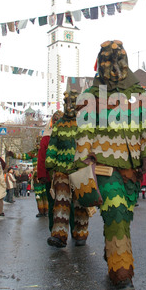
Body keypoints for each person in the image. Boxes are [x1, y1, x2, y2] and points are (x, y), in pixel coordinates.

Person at [74, 40, 146, 290]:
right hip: (104, 165)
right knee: (116, 210)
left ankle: (112, 251)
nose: (112, 67)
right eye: (107, 61)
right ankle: (121, 274)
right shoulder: (90, 95)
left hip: (132, 168)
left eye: (117, 60)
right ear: (100, 64)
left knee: (124, 214)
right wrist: (84, 159)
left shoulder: (138, 94)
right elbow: (84, 131)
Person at [45, 91, 90, 247]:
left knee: (80, 203)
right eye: (67, 103)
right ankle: (59, 235)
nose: (69, 106)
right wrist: (50, 165)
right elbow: (52, 146)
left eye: (73, 102)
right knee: (61, 201)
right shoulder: (58, 125)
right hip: (62, 169)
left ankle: (80, 234)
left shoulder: (85, 122)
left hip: (81, 170)